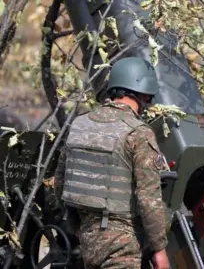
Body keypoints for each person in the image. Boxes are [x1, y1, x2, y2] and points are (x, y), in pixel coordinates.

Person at [53, 57, 171, 269]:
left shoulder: (80, 125)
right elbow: (148, 199)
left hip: (88, 239)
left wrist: (77, 227)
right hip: (122, 243)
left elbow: (61, 184)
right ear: (143, 94)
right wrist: (159, 250)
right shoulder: (138, 133)